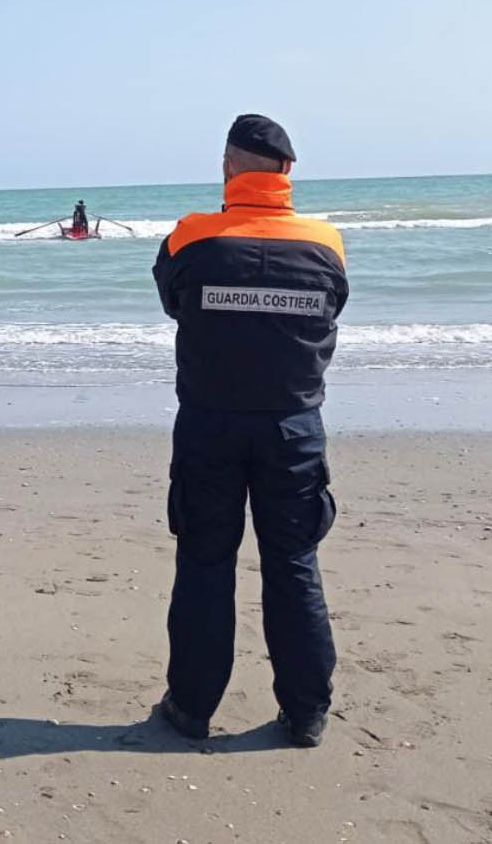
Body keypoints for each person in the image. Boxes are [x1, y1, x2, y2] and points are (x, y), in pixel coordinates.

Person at [150, 114, 348, 748]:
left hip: (210, 423)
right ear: (287, 171)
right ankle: (306, 712)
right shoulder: (325, 243)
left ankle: (191, 707)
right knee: (293, 562)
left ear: (228, 167)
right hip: (292, 427)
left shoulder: (190, 237)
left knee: (205, 562)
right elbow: (333, 306)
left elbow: (173, 301)